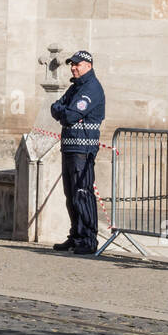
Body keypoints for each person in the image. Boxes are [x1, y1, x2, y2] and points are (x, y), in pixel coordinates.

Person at [49, 49, 106, 254]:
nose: (73, 67)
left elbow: (70, 115)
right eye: (72, 64)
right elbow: (54, 107)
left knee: (82, 193)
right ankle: (76, 235)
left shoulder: (91, 88)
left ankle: (88, 240)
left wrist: (64, 111)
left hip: (84, 148)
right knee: (71, 194)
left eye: (77, 64)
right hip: (70, 146)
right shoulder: (76, 88)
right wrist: (63, 111)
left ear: (88, 66)